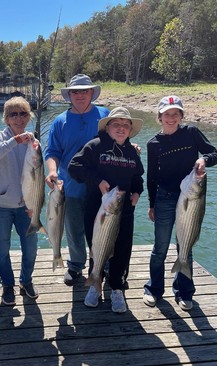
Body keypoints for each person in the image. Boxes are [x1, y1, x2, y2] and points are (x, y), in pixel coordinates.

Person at [143, 95, 217, 311]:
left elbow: (215, 154)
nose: (171, 118)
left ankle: (184, 292)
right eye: (167, 114)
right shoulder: (153, 144)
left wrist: (204, 160)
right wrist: (151, 204)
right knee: (160, 247)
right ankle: (154, 289)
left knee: (184, 246)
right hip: (164, 198)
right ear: (159, 117)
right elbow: (151, 178)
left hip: (191, 198)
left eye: (175, 114)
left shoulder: (191, 133)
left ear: (181, 116)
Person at [68, 107, 144, 312]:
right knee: (97, 247)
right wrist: (98, 180)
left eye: (125, 125)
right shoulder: (94, 146)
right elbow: (74, 167)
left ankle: (117, 288)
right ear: (107, 127)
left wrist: (137, 193)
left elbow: (138, 179)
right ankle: (96, 284)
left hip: (124, 212)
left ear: (130, 130)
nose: (121, 128)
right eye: (116, 124)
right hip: (96, 210)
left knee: (121, 251)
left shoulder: (132, 152)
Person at [45, 74, 110, 286]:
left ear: (92, 93)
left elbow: (119, 138)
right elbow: (52, 151)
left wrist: (131, 147)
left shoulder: (105, 115)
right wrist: (52, 171)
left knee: (102, 228)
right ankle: (75, 265)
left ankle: (103, 264)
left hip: (101, 187)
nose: (80, 95)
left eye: (85, 91)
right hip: (69, 187)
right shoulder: (59, 122)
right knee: (73, 230)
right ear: (69, 95)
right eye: (75, 91)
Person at [0, 96, 39, 306]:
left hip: (26, 207)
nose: (18, 118)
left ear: (29, 116)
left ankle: (26, 280)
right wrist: (13, 141)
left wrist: (34, 204)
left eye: (23, 113)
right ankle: (8, 284)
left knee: (31, 247)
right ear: (6, 118)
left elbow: (37, 175)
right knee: (2, 249)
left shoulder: (34, 142)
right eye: (13, 114)